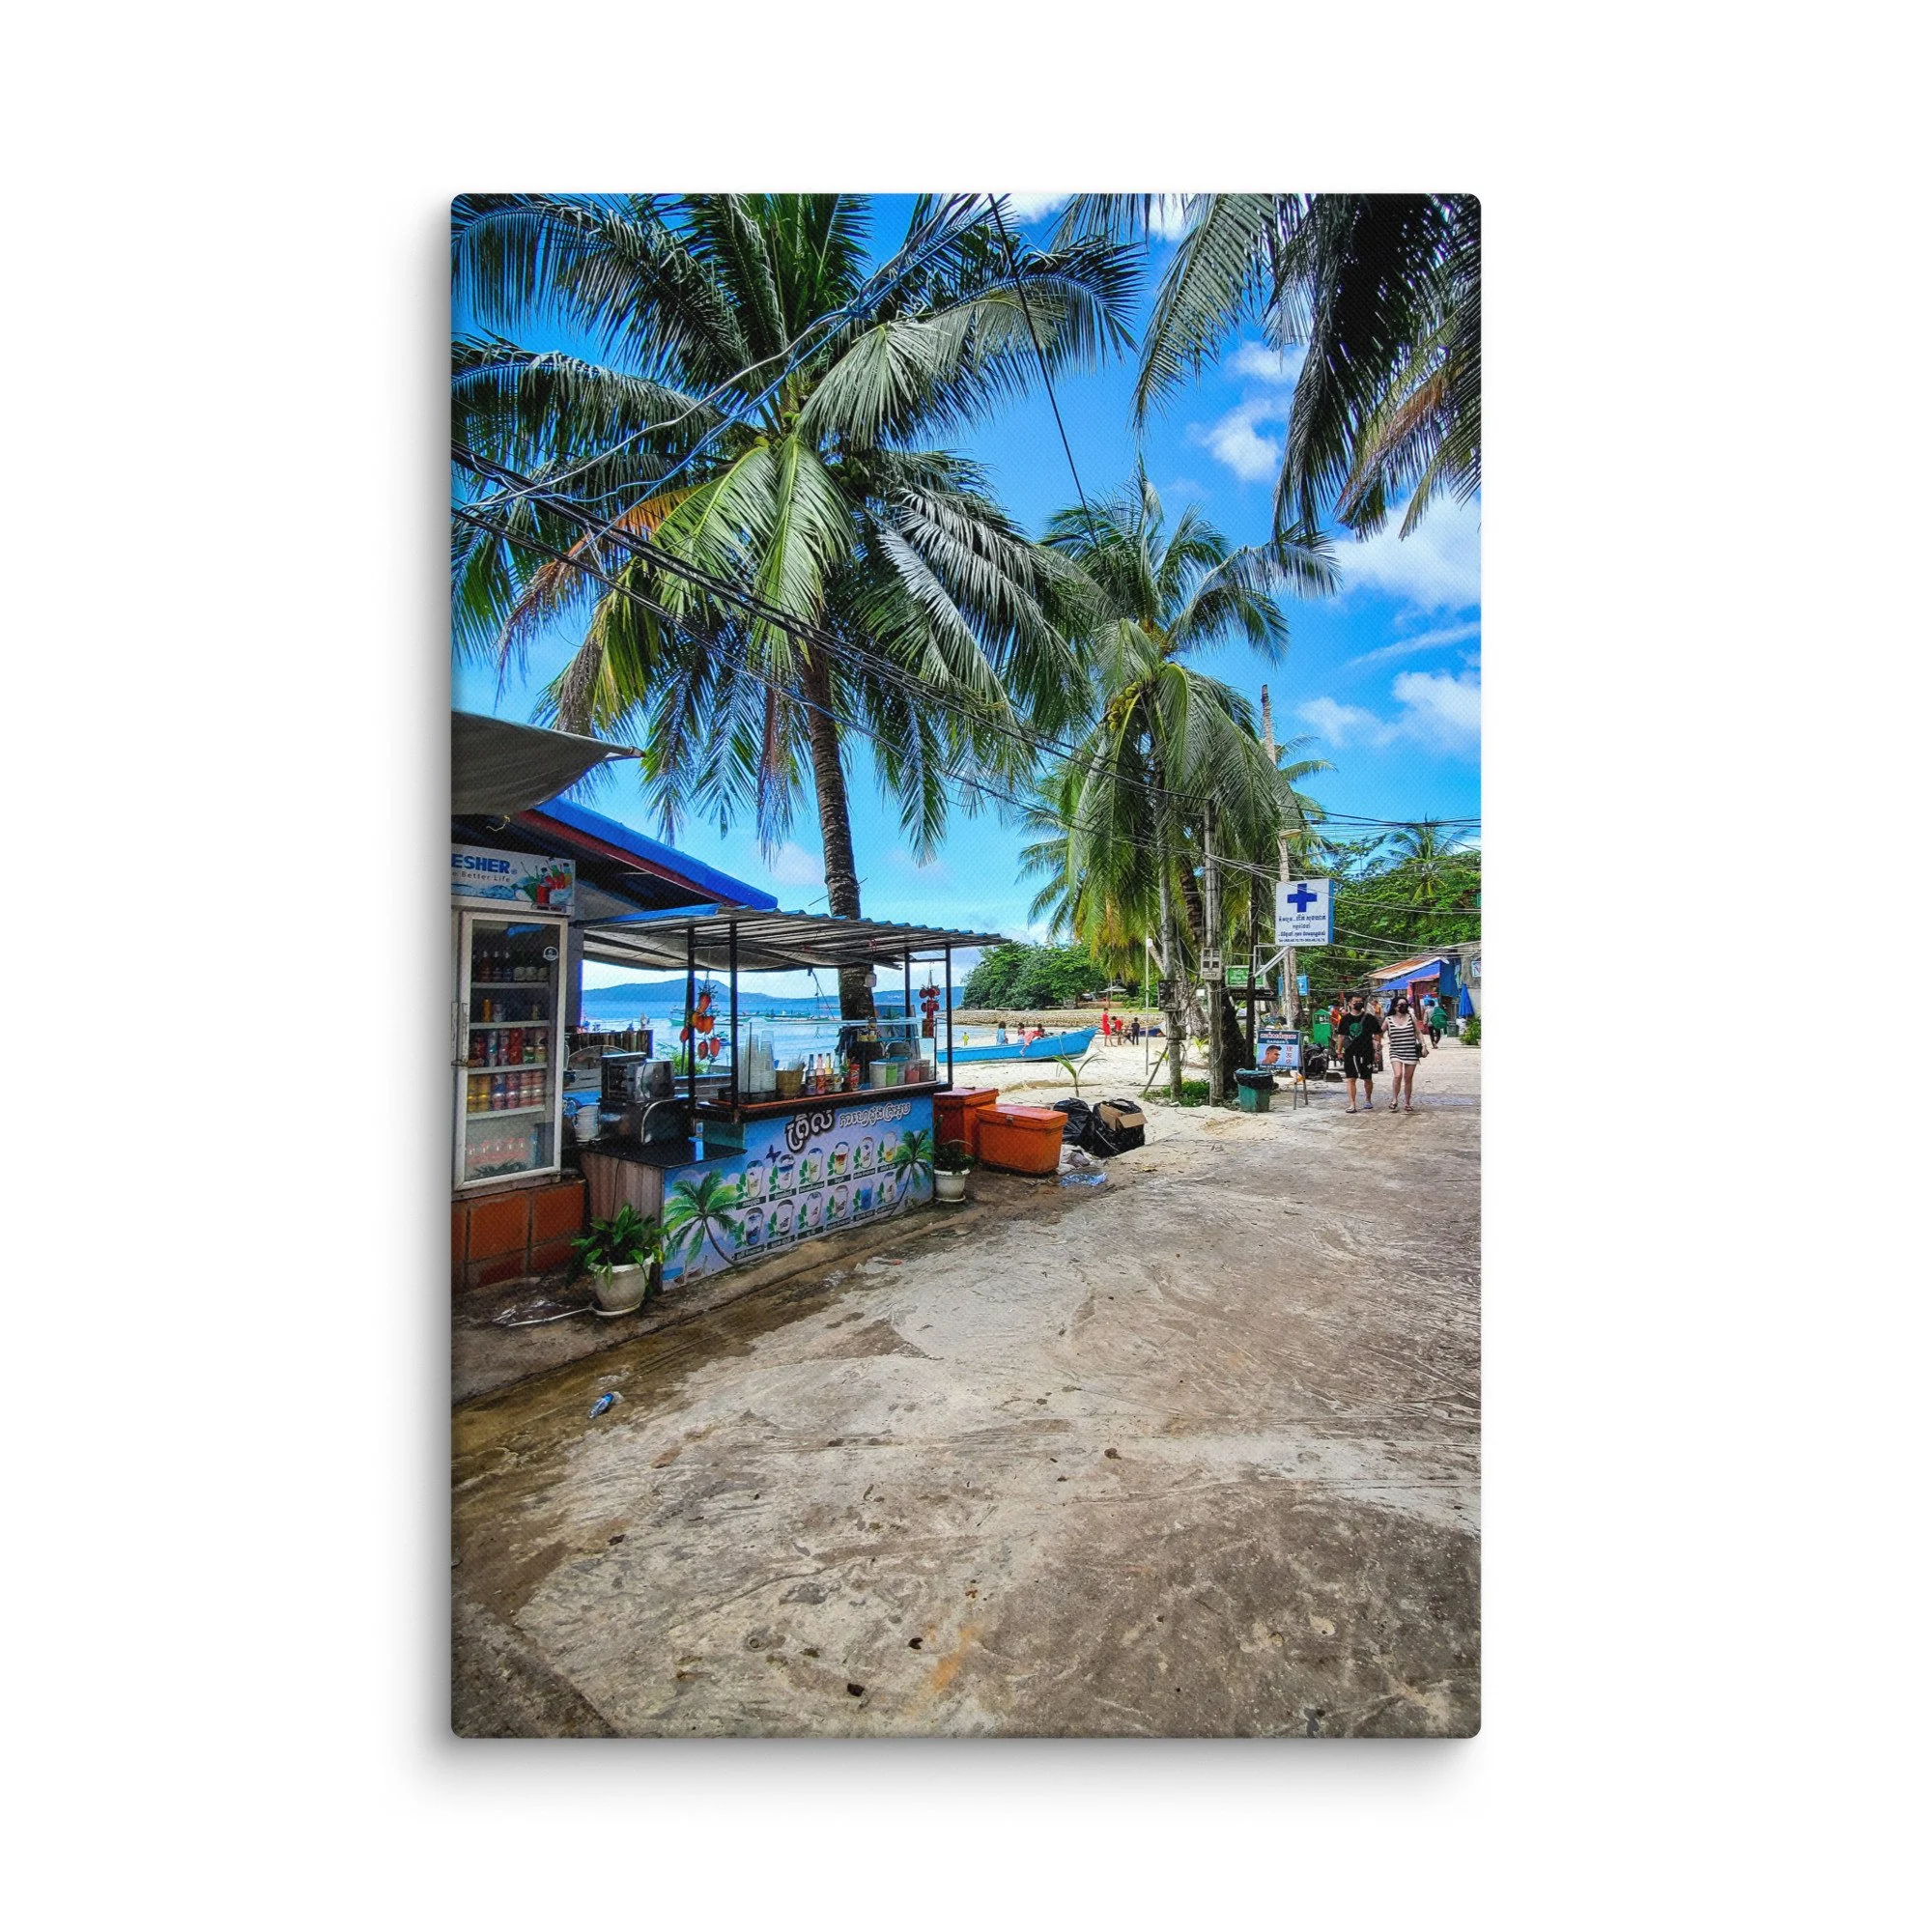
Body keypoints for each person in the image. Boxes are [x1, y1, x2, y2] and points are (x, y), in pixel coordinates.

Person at [1339, 994, 1383, 1113]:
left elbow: (1377, 1034)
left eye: (1360, 1001)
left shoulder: (1369, 1018)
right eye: (1355, 1002)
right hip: (1350, 1052)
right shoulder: (1345, 1019)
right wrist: (1339, 1051)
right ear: (1349, 1004)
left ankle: (1368, 1099)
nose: (1358, 1003)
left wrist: (1377, 1050)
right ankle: (1352, 1104)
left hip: (1366, 1051)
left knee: (1367, 1078)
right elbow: (1341, 1036)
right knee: (1351, 1078)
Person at [1384, 995, 1428, 1112]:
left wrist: (1423, 1046)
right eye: (1401, 1005)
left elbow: (1418, 1033)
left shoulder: (1411, 1017)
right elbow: (1379, 1032)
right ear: (1395, 1007)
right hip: (1395, 1051)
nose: (1404, 1006)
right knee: (1397, 1075)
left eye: (1405, 1004)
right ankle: (1394, 1100)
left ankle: (1407, 1102)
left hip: (1410, 1051)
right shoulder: (1388, 1020)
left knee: (1408, 1078)